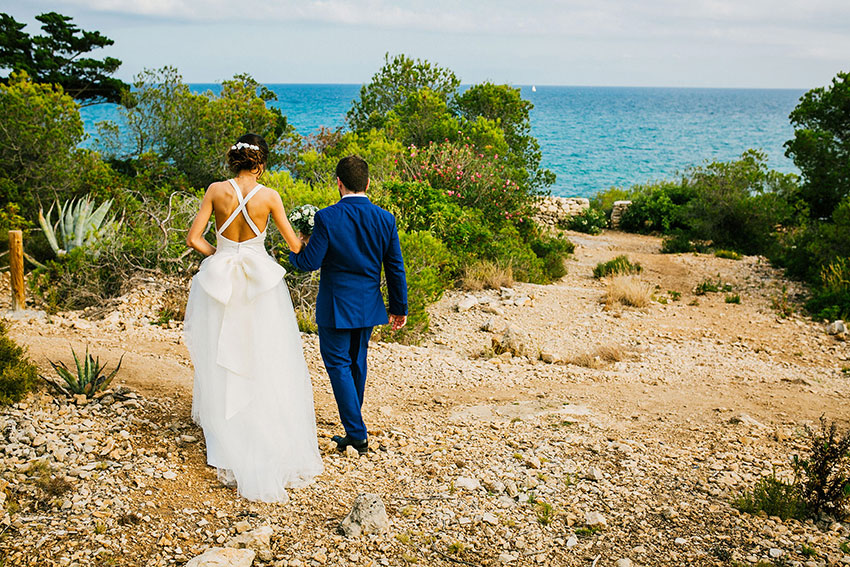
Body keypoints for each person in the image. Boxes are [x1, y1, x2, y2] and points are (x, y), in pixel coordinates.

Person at [183, 133, 323, 502]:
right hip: (260, 283)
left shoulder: (216, 190)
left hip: (222, 281)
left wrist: (218, 255)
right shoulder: (270, 196)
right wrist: (312, 232)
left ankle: (227, 426)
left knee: (221, 351)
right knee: (263, 352)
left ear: (234, 161)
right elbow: (295, 246)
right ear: (261, 164)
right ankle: (262, 421)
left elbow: (193, 238)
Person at [289, 155, 407, 454]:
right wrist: (399, 307)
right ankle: (353, 427)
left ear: (338, 183)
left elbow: (308, 263)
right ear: (368, 183)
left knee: (338, 365)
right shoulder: (385, 218)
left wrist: (298, 243)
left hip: (335, 304)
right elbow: (395, 267)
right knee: (357, 361)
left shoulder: (327, 218)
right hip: (368, 304)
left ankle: (357, 433)